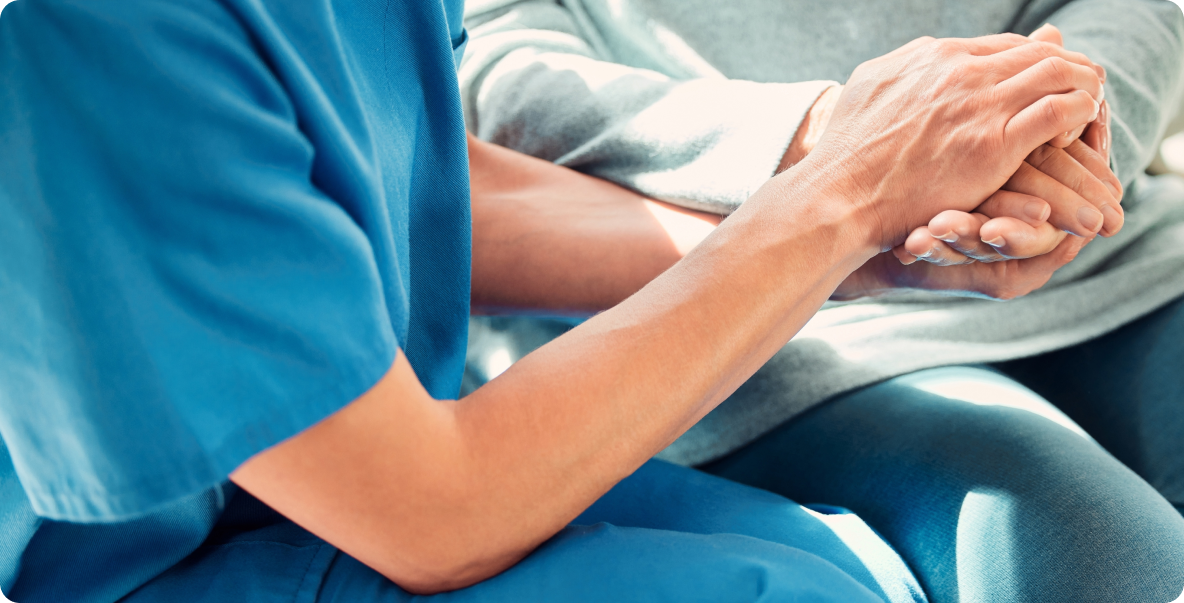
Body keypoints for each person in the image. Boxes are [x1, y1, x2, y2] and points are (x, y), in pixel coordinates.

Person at [1, 3, 1181, 603]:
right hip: (173, 549)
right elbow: (424, 509)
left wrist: (863, 240)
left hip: (369, 453)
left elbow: (413, 173)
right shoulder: (89, 34)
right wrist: (834, 183)